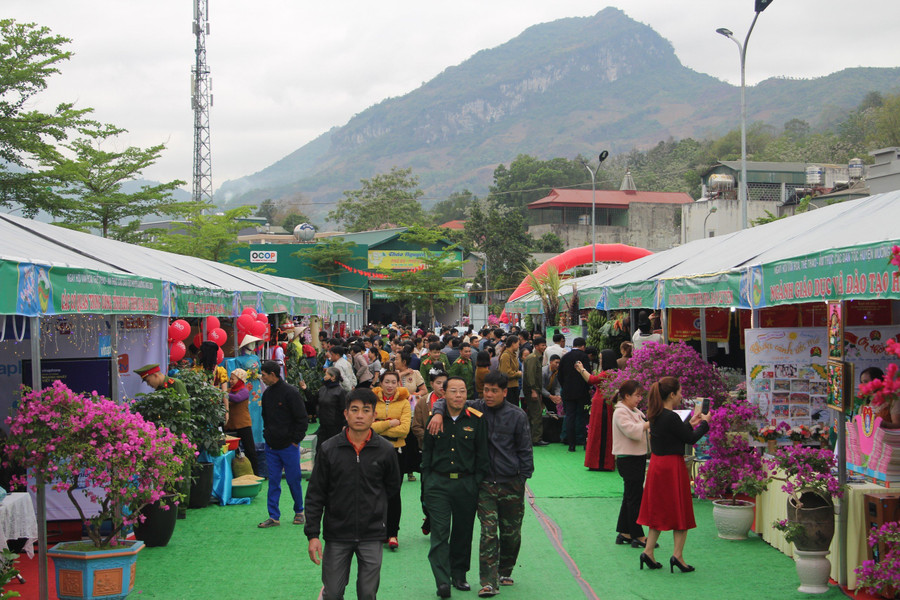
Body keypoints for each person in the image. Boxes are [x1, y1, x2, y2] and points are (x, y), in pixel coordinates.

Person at [427, 371, 533, 598]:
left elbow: (525, 450)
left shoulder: (517, 416)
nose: (489, 395)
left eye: (495, 391)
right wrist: (437, 413)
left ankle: (505, 569)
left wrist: (522, 477)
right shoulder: (475, 407)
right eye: (486, 390)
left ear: (505, 392)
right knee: (488, 532)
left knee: (510, 533)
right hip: (484, 483)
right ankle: (488, 582)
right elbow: (448, 400)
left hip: (511, 482)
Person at [305, 389, 401, 600]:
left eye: (366, 410)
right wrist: (313, 535)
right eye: (354, 410)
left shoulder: (385, 450)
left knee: (368, 593)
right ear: (346, 414)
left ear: (374, 415)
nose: (359, 415)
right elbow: (315, 494)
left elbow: (393, 492)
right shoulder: (329, 449)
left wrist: (390, 530)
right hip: (337, 534)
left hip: (372, 534)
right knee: (333, 593)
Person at [422, 376, 489, 598]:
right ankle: (442, 580)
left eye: (462, 391)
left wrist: (475, 483)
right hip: (438, 484)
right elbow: (428, 455)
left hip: (465, 483)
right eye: (453, 391)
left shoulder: (477, 419)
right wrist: (427, 483)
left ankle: (459, 574)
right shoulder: (434, 418)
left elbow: (482, 455)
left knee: (463, 531)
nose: (458, 395)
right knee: (440, 533)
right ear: (444, 393)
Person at [637, 376, 710, 572]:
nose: (681, 395)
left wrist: (691, 424)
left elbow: (676, 434)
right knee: (680, 511)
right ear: (671, 394)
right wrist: (704, 424)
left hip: (657, 465)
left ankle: (649, 551)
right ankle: (677, 556)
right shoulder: (671, 416)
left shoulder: (656, 414)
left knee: (657, 511)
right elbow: (690, 439)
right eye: (679, 392)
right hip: (672, 466)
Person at [258, 360, 309, 528]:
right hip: (271, 446)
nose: (262, 378)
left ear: (272, 374)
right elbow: (265, 417)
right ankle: (273, 516)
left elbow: (302, 419)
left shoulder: (291, 393)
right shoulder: (267, 394)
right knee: (273, 481)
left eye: (264, 375)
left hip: (289, 446)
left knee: (293, 480)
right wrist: (267, 435)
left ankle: (299, 511)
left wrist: (295, 441)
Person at [371, 370, 412, 550]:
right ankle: (377, 530)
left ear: (398, 384)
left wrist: (379, 425)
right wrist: (389, 423)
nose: (389, 385)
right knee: (374, 492)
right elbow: (368, 427)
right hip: (374, 451)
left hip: (396, 451)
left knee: (394, 494)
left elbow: (404, 430)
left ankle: (393, 533)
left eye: (393, 382)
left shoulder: (404, 403)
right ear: (380, 383)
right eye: (386, 381)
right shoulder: (372, 401)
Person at [610, 380, 650, 547]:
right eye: (637, 395)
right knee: (635, 497)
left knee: (630, 496)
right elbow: (632, 431)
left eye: (641, 395)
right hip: (629, 458)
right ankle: (637, 535)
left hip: (636, 457)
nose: (639, 398)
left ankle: (625, 532)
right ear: (626, 396)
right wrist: (650, 423)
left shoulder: (632, 410)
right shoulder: (621, 412)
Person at [412, 369, 449, 536]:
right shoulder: (423, 403)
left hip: (449, 455)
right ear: (431, 384)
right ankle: (429, 516)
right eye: (438, 382)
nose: (442, 386)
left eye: (444, 382)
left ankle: (439, 521)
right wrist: (430, 439)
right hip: (427, 453)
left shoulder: (454, 401)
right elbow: (416, 427)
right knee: (426, 492)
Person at [580, 350, 618, 471]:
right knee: (598, 432)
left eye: (602, 359)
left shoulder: (608, 373)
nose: (600, 361)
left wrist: (581, 369)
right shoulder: (612, 373)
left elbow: (591, 380)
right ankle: (600, 462)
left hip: (602, 404)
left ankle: (600, 462)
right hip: (601, 404)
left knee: (600, 432)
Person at [557, 338, 591, 452]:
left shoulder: (565, 357)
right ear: (583, 346)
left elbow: (559, 375)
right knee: (584, 416)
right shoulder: (584, 356)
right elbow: (588, 374)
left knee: (570, 417)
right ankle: (585, 442)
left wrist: (565, 386)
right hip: (582, 391)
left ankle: (571, 444)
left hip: (568, 392)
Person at [224, 368, 260, 476]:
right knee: (232, 452)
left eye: (233, 379)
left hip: (243, 425)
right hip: (231, 426)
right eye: (230, 379)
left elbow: (237, 398)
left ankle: (256, 474)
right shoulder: (229, 391)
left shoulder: (244, 391)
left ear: (240, 380)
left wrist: (224, 394)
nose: (231, 381)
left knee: (250, 450)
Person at [522, 336, 548, 446]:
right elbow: (531, 376)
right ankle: (536, 439)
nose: (544, 347)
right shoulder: (533, 358)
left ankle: (531, 437)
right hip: (532, 390)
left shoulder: (536, 357)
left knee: (533, 414)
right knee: (536, 415)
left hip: (535, 389)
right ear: (536, 346)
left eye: (545, 345)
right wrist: (533, 390)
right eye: (542, 345)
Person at [316, 367, 347, 453]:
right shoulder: (322, 389)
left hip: (335, 427)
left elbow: (344, 408)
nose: (324, 377)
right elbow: (314, 401)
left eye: (326, 374)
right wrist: (305, 389)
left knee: (334, 451)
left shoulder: (341, 391)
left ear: (333, 377)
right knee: (320, 450)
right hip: (323, 426)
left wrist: (345, 424)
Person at [498, 336, 523, 408]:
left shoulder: (513, 355)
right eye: (518, 344)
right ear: (513, 344)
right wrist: (517, 374)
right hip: (509, 387)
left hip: (514, 386)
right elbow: (506, 373)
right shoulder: (506, 355)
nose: (519, 346)